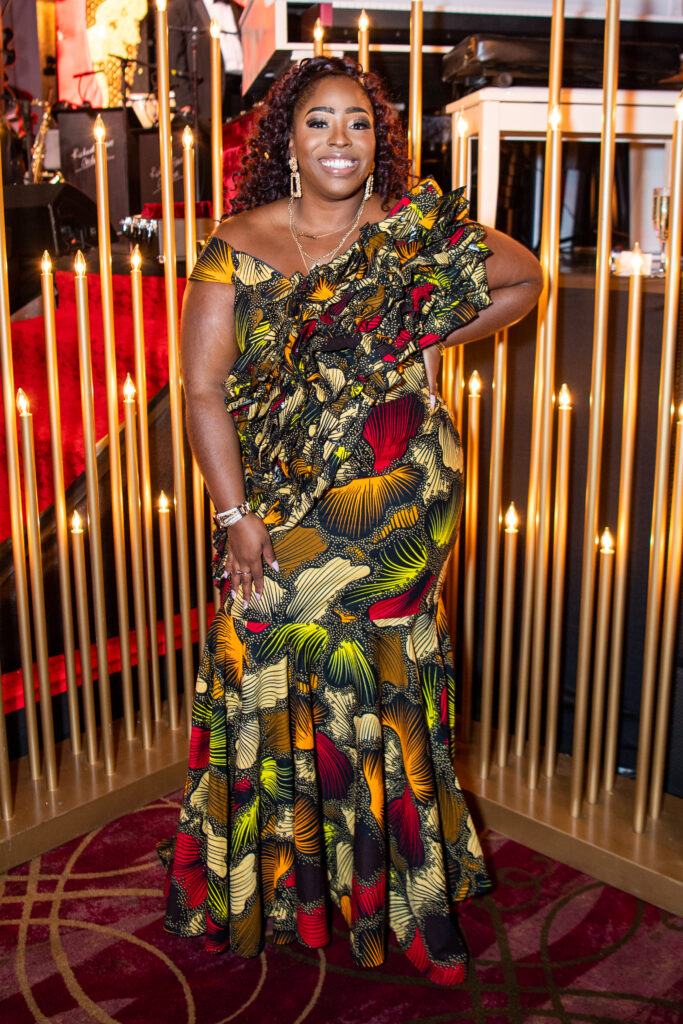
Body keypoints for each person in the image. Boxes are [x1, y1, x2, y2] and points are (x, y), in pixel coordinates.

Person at [159, 55, 542, 986]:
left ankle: (399, 899)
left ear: (381, 144)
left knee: (387, 687)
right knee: (265, 663)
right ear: (286, 138)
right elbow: (202, 390)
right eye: (320, 121)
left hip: (402, 505)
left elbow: (522, 279)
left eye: (359, 123)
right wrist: (233, 515)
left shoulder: (408, 237)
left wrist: (414, 329)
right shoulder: (237, 240)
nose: (341, 139)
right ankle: (279, 891)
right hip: (280, 510)